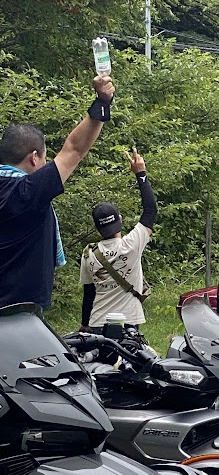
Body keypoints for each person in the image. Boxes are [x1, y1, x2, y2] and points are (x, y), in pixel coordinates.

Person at [0, 73, 114, 311]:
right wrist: (102, 101)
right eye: (44, 159)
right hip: (19, 314)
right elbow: (74, 149)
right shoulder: (28, 192)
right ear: (34, 157)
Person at [80, 149, 157, 329]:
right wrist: (141, 174)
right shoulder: (132, 245)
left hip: (98, 322)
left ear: (97, 228)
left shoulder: (88, 254)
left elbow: (89, 293)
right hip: (128, 322)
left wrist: (84, 325)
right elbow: (151, 211)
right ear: (120, 220)